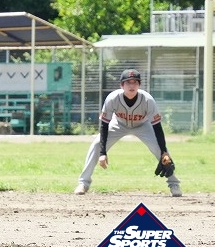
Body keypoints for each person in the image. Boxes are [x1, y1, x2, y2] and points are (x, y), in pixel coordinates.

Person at [74, 69, 181, 197]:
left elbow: (157, 127)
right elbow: (104, 125)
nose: (132, 85)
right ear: (121, 85)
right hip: (118, 124)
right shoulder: (113, 98)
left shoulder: (147, 100)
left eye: (135, 82)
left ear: (139, 85)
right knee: (97, 144)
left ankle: (174, 183)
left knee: (162, 152)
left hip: (143, 125)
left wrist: (163, 151)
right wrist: (103, 153)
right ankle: (83, 183)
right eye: (128, 82)